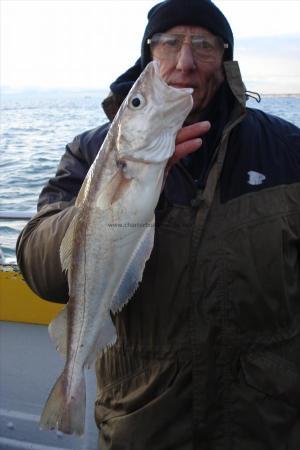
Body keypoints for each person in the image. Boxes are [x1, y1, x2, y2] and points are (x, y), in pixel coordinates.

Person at [17, 0, 300, 448]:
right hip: (144, 427)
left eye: (203, 45)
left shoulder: (287, 148)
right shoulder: (91, 153)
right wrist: (125, 191)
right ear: (149, 54)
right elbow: (38, 268)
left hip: (266, 428)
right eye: (169, 44)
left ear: (225, 58)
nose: (184, 63)